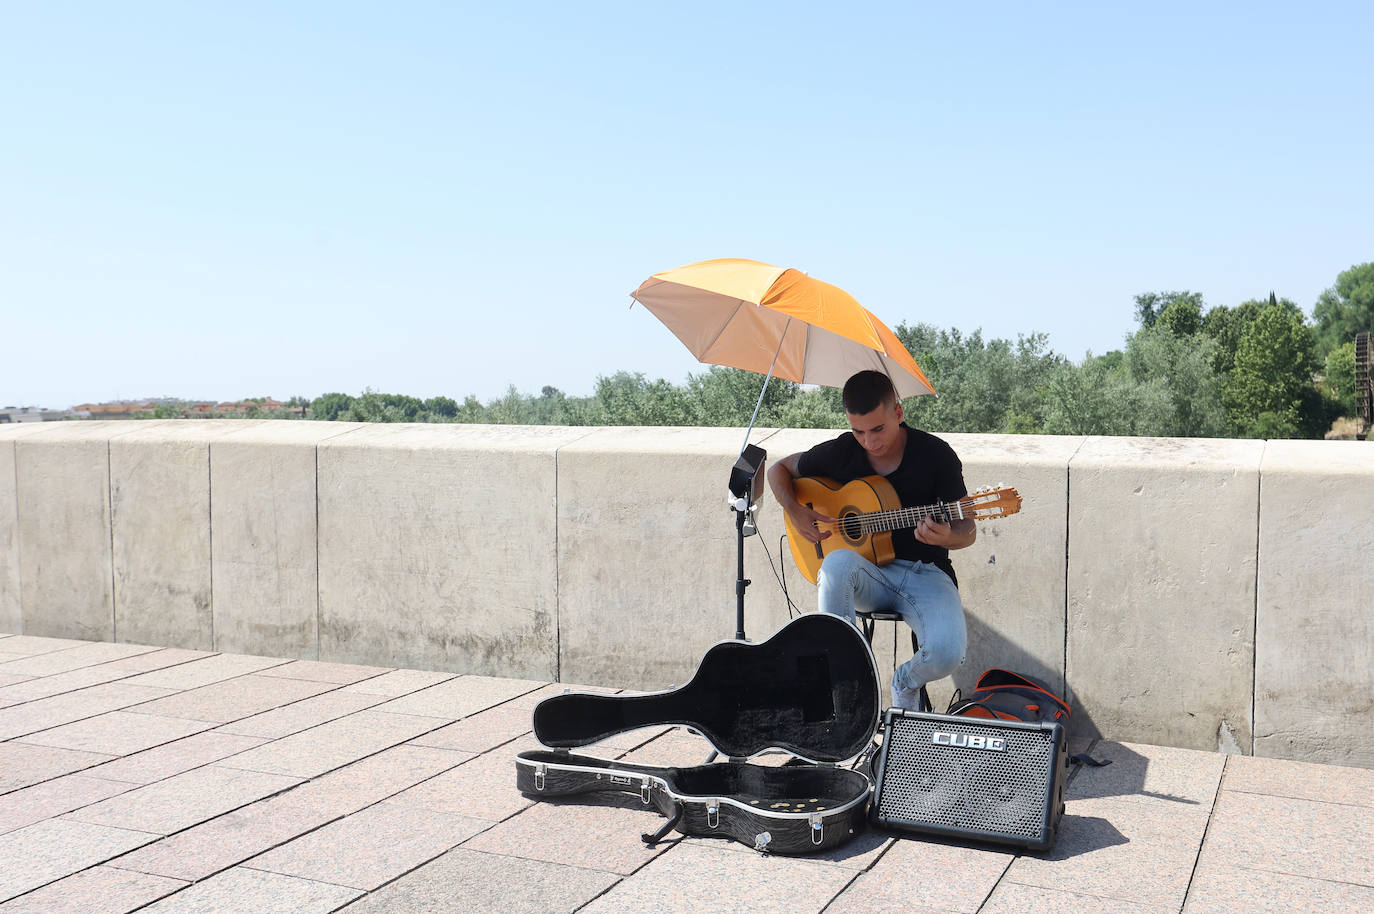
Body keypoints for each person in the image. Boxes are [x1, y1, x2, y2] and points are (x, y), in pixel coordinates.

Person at [766, 370, 975, 710]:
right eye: (858, 431)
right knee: (835, 565)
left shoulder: (936, 455)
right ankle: (849, 687)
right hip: (869, 575)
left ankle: (903, 683)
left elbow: (968, 529)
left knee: (948, 653)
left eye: (878, 429)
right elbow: (778, 470)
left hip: (927, 573)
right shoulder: (842, 452)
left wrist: (949, 535)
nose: (869, 441)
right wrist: (793, 509)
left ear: (898, 413)